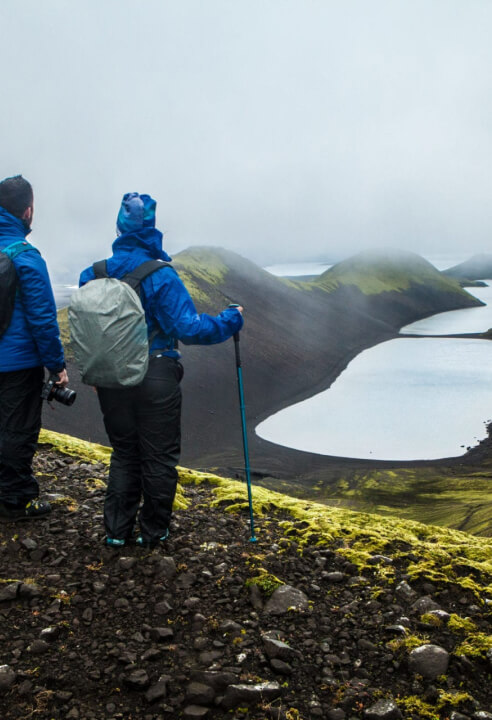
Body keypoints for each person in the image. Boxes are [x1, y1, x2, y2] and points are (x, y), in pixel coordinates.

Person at [79, 192, 243, 549]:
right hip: (155, 376)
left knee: (124, 452)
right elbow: (189, 328)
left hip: (110, 379)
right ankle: (154, 532)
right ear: (152, 227)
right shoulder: (161, 276)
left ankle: (116, 531)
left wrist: (98, 373)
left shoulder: (91, 274)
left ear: (119, 227)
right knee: (158, 457)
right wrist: (231, 320)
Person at [0, 175, 68, 520]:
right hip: (16, 365)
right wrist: (57, 367)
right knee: (16, 431)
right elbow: (43, 321)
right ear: (28, 211)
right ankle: (15, 501)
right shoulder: (26, 258)